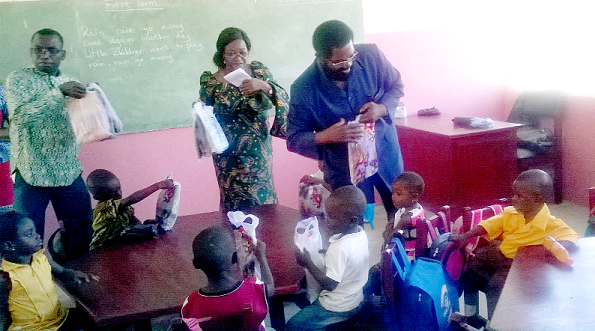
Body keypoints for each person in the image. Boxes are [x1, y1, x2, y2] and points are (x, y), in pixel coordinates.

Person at [287, 20, 405, 223]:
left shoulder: (371, 55)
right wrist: (326, 136)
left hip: (385, 153)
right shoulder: (303, 88)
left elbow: (396, 85)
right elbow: (294, 138)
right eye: (340, 62)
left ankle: (396, 253)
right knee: (351, 225)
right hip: (344, 168)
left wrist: (382, 108)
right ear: (322, 58)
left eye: (351, 56)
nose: (348, 63)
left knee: (401, 214)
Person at [450, 169, 579, 326]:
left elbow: (572, 238)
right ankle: (471, 314)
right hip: (495, 253)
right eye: (514, 194)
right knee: (470, 272)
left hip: (515, 265)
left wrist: (547, 250)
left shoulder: (552, 225)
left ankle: (494, 325)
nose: (513, 199)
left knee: (496, 287)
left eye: (519, 196)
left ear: (537, 199)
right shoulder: (511, 213)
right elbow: (489, 224)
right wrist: (466, 236)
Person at [5, 28, 92, 243]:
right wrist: (58, 92)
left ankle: (76, 272)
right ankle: (38, 276)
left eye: (52, 50)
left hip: (67, 170)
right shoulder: (18, 79)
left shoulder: (71, 81)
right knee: (27, 235)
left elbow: (79, 123)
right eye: (38, 50)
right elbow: (21, 117)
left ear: (62, 54)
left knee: (81, 229)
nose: (45, 55)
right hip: (31, 171)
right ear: (31, 52)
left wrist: (97, 113)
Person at [198, 27, 290, 211]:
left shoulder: (258, 71)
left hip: (258, 151)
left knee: (262, 200)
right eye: (231, 53)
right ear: (222, 54)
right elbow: (204, 114)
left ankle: (267, 238)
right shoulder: (211, 82)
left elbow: (282, 96)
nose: (238, 57)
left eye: (242, 52)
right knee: (233, 203)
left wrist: (264, 86)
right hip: (227, 154)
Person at [286, 185, 369, 330]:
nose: (326, 220)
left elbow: (330, 285)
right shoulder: (360, 234)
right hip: (356, 298)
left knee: (293, 325)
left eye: (332, 216)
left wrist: (308, 263)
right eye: (326, 214)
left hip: (338, 306)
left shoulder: (340, 247)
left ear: (352, 221)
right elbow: (349, 259)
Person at [0, 210, 98, 331]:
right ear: (9, 245)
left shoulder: (42, 256)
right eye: (29, 234)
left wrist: (73, 274)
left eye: (35, 231)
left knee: (96, 322)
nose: (37, 236)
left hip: (60, 317)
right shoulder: (5, 276)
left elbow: (61, 272)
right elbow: (2, 312)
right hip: (34, 328)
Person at [181, 226, 274, 330]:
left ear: (196, 264)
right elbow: (270, 286)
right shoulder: (253, 290)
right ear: (235, 257)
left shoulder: (191, 304)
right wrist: (262, 257)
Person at [85, 169, 175, 250]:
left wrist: (140, 227)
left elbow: (131, 217)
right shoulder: (104, 208)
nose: (118, 194)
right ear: (97, 197)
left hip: (122, 242)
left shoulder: (121, 205)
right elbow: (131, 200)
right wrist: (158, 185)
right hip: (105, 246)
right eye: (111, 193)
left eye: (118, 189)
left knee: (148, 227)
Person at [382, 171, 426, 250]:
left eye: (399, 194)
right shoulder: (417, 208)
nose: (393, 197)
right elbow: (393, 221)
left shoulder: (407, 218)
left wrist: (386, 233)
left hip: (407, 253)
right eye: (393, 192)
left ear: (414, 196)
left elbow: (389, 239)